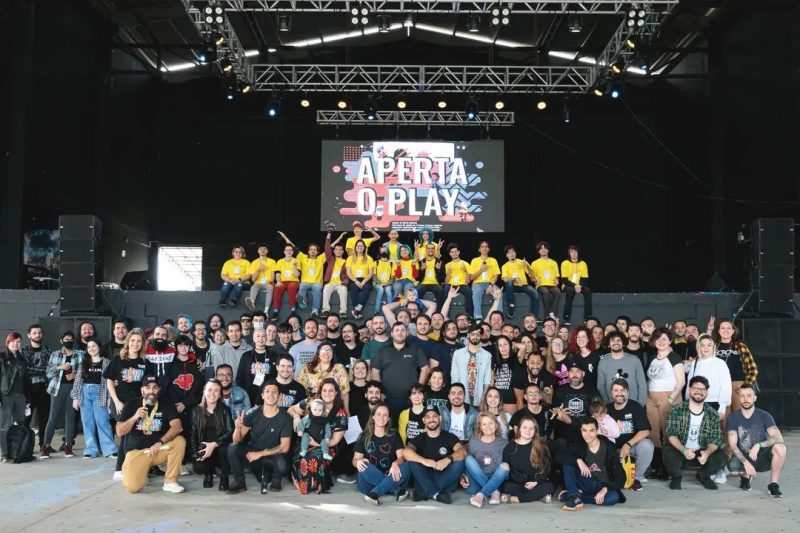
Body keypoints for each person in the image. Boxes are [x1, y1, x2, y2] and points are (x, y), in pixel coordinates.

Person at [117, 375, 187, 494]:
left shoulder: (166, 403)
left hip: (158, 449)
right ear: (142, 390)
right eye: (148, 387)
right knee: (132, 488)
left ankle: (170, 482)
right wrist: (134, 417)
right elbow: (119, 431)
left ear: (159, 389)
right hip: (137, 452)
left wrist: (161, 442)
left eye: (155, 387)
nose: (152, 391)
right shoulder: (132, 404)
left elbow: (177, 427)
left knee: (179, 441)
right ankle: (138, 471)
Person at [227, 380, 293, 494]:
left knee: (282, 465)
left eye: (274, 392)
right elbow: (237, 440)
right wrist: (237, 428)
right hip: (254, 456)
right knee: (232, 448)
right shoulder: (253, 413)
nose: (271, 394)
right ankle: (240, 482)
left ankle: (276, 478)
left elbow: (284, 447)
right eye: (267, 391)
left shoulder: (286, 418)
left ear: (280, 396)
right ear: (262, 395)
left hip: (273, 455)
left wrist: (261, 453)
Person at [663, 376, 727, 490]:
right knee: (668, 449)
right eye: (695, 388)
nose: (699, 391)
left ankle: (703, 476)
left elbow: (715, 438)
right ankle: (676, 477)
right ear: (689, 389)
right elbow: (671, 434)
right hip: (682, 450)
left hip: (701, 453)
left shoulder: (712, 414)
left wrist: (707, 452)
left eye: (702, 389)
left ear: (707, 392)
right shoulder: (676, 410)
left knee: (722, 455)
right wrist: (683, 450)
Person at [727, 383, 787, 497]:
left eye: (749, 395)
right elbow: (733, 444)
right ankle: (746, 476)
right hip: (744, 455)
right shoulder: (733, 417)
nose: (745, 399)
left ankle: (773, 484)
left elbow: (778, 438)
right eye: (742, 396)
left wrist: (758, 445)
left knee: (781, 448)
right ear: (739, 398)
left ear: (755, 398)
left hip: (762, 454)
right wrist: (746, 463)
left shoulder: (764, 416)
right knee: (733, 469)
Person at [291, 379, 348, 494]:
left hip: (327, 446)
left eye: (331, 390)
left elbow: (335, 441)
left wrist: (316, 444)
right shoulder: (311, 402)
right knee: (302, 456)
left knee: (316, 457)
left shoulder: (340, 413)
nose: (327, 393)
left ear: (336, 392)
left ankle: (316, 483)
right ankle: (298, 477)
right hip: (304, 442)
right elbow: (291, 409)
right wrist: (296, 417)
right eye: (324, 390)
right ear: (320, 392)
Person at [104, 329, 148, 477]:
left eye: (139, 341)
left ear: (143, 344)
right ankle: (119, 469)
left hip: (136, 402)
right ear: (128, 341)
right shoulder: (118, 359)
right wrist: (116, 402)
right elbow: (109, 382)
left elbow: (146, 385)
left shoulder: (144, 362)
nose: (135, 344)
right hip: (120, 402)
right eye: (133, 340)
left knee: (136, 433)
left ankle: (136, 467)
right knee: (125, 433)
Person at [556, 418, 625, 511]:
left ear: (597, 431)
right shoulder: (580, 445)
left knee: (612, 498)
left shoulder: (609, 448)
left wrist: (606, 489)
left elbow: (621, 477)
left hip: (603, 485)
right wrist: (578, 460)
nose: (587, 434)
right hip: (586, 481)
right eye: (584, 431)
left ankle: (573, 497)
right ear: (581, 431)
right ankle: (573, 495)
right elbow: (559, 456)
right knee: (568, 462)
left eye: (591, 431)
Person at [403, 405, 466, 503]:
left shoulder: (449, 437)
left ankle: (425, 492)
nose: (431, 419)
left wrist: (448, 459)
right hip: (425, 476)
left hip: (444, 477)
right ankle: (436, 494)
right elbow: (406, 452)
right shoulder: (420, 438)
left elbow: (462, 451)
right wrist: (424, 461)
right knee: (412, 461)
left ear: (440, 418)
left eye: (434, 416)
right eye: (428, 417)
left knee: (459, 464)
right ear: (423, 420)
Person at [644, 327, 685, 478]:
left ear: (670, 341)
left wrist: (670, 399)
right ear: (654, 341)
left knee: (669, 434)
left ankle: (670, 469)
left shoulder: (674, 356)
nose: (661, 342)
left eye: (665, 339)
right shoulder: (653, 358)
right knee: (653, 433)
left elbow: (681, 381)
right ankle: (657, 467)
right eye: (659, 339)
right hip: (652, 398)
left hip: (668, 397)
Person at [354, 403, 410, 505]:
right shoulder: (364, 436)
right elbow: (355, 460)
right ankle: (396, 490)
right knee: (364, 465)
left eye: (385, 415)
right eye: (378, 414)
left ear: (388, 419)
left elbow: (401, 457)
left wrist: (396, 463)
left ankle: (376, 493)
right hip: (369, 482)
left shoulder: (394, 434)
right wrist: (357, 462)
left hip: (392, 476)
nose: (381, 417)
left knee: (408, 465)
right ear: (373, 417)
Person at [71, 339, 117, 458]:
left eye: (94, 346)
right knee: (87, 423)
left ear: (99, 347)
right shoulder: (84, 362)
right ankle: (91, 450)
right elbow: (77, 381)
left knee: (102, 422)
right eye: (89, 347)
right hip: (84, 394)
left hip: (100, 394)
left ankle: (109, 450)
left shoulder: (107, 363)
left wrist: (109, 400)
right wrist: (75, 397)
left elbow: (110, 382)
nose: (91, 348)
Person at [370, 322, 430, 415]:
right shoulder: (382, 351)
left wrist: (418, 390)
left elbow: (425, 368)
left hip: (410, 399)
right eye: (397, 330)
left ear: (407, 333)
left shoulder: (415, 349)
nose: (400, 332)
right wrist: (380, 392)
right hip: (387, 398)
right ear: (392, 334)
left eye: (402, 330)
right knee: (390, 427)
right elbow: (375, 371)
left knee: (408, 427)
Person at [42, 331, 83, 458]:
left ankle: (68, 446)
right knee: (52, 418)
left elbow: (85, 371)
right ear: (61, 341)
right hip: (57, 388)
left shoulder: (80, 354)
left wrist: (75, 374)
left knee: (70, 418)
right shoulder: (55, 354)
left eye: (71, 339)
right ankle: (46, 446)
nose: (69, 341)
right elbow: (48, 373)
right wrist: (60, 367)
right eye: (66, 339)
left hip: (72, 388)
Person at [607, 378, 653, 491]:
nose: (619, 393)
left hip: (632, 447)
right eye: (616, 390)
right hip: (612, 449)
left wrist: (628, 444)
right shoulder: (607, 409)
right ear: (611, 392)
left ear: (627, 392)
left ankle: (637, 478)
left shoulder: (635, 407)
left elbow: (645, 430)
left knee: (647, 445)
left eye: (623, 390)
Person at [190, 379, 233, 490]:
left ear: (220, 395)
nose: (212, 394)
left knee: (224, 450)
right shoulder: (196, 410)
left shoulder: (225, 410)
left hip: (220, 445)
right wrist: (196, 452)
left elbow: (230, 432)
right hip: (204, 445)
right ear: (204, 392)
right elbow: (193, 434)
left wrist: (215, 444)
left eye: (216, 391)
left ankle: (224, 477)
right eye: (209, 390)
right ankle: (208, 475)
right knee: (199, 467)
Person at [460, 411, 509, 507]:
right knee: (468, 459)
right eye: (484, 424)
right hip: (476, 482)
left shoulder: (503, 443)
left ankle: (481, 494)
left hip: (495, 480)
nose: (488, 426)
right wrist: (462, 476)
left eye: (491, 423)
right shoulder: (473, 441)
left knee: (505, 466)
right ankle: (493, 491)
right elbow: (470, 466)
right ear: (480, 427)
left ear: (496, 425)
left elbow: (505, 470)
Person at [501, 417, 554, 504]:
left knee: (549, 487)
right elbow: (509, 470)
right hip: (519, 483)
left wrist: (536, 482)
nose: (528, 431)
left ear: (535, 430)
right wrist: (522, 482)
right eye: (524, 427)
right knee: (507, 487)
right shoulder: (510, 448)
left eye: (531, 428)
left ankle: (516, 499)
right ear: (519, 429)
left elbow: (546, 468)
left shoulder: (541, 446)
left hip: (537, 483)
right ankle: (537, 497)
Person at [167, 336, 205, 456]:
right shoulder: (171, 363)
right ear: (176, 347)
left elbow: (198, 387)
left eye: (186, 345)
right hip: (175, 404)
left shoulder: (195, 364)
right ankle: (179, 457)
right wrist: (177, 403)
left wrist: (186, 403)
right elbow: (169, 386)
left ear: (189, 347)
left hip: (191, 404)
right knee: (178, 430)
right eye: (180, 345)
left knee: (192, 430)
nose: (183, 348)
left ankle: (191, 455)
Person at [713, 319, 758, 414]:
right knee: (723, 415)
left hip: (737, 384)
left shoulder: (740, 346)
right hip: (719, 385)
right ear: (718, 331)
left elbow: (753, 369)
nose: (726, 330)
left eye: (729, 328)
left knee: (740, 414)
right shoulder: (713, 346)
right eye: (723, 328)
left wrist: (745, 385)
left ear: (733, 331)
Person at [550, 363, 600, 444]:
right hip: (564, 438)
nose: (574, 374)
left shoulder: (592, 391)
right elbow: (554, 411)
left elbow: (598, 414)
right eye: (571, 371)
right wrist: (557, 413)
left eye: (577, 371)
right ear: (567, 374)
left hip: (586, 437)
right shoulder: (560, 391)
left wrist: (570, 421)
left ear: (583, 374)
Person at [686, 334, 732, 417]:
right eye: (702, 345)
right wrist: (688, 402)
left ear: (713, 347)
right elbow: (690, 385)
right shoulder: (694, 363)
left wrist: (722, 408)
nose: (706, 348)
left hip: (715, 404)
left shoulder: (720, 363)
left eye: (709, 345)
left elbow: (726, 386)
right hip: (696, 403)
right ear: (699, 347)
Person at [21, 325, 51, 451]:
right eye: (34, 333)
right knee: (26, 418)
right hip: (29, 389)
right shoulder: (24, 351)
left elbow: (51, 369)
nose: (37, 335)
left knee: (45, 418)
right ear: (29, 335)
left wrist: (45, 370)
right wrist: (45, 370)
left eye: (39, 332)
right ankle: (24, 445)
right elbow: (26, 370)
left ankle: (43, 445)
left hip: (44, 388)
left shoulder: (48, 349)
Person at [597, 331, 647, 406]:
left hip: (633, 404)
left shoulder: (634, 360)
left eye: (618, 340)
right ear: (608, 344)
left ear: (623, 343)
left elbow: (642, 384)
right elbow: (601, 386)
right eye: (612, 340)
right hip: (612, 405)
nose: (616, 343)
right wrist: (608, 404)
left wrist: (640, 404)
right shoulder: (603, 362)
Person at [298, 342, 350, 412]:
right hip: (312, 407)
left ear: (332, 354)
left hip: (333, 408)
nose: (326, 353)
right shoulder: (308, 368)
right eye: (323, 350)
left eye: (329, 350)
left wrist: (347, 410)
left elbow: (345, 391)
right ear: (318, 354)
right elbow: (300, 389)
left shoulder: (339, 368)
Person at [1, 332, 28, 462]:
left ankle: (17, 452)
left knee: (20, 424)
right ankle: (4, 453)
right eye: (13, 341)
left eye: (18, 341)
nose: (16, 344)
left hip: (20, 395)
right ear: (8, 343)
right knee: (5, 425)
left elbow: (25, 379)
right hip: (6, 395)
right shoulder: (2, 357)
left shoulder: (21, 358)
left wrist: (27, 397)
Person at [450, 324, 493, 407]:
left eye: (478, 334)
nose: (475, 337)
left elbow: (487, 381)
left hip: (479, 397)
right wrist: (456, 397)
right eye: (472, 334)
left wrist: (483, 401)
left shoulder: (487, 355)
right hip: (461, 397)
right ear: (468, 335)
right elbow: (454, 377)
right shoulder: (458, 354)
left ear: (481, 336)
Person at [501, 245, 537, 319]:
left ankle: (533, 315)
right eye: (509, 253)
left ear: (515, 253)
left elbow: (532, 275)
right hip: (512, 287)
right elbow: (505, 279)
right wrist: (515, 278)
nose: (511, 254)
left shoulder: (522, 262)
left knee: (535, 294)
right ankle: (511, 306)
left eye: (513, 251)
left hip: (523, 285)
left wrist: (526, 265)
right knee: (509, 283)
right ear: (506, 255)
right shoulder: (505, 266)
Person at [468, 241, 501, 321]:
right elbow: (471, 278)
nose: (484, 248)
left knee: (499, 292)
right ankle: (478, 316)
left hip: (490, 283)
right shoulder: (474, 260)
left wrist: (491, 285)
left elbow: (496, 275)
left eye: (486, 246)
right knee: (476, 292)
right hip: (478, 283)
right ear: (479, 249)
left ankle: (498, 316)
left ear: (489, 249)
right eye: (482, 246)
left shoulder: (493, 260)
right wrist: (481, 270)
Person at [560, 245, 592, 324]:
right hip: (568, 285)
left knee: (588, 291)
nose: (573, 253)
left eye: (575, 251)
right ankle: (566, 317)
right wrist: (575, 286)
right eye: (571, 252)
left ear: (578, 253)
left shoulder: (583, 263)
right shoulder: (565, 263)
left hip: (580, 285)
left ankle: (587, 317)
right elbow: (564, 279)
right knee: (570, 291)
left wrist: (580, 286)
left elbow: (585, 278)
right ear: (569, 253)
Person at [321, 232, 349, 318]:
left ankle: (343, 311)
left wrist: (344, 282)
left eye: (340, 250)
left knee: (344, 291)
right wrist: (329, 235)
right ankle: (325, 310)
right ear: (334, 251)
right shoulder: (331, 259)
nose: (338, 251)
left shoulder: (346, 261)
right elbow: (327, 248)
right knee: (326, 289)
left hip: (341, 283)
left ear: (343, 251)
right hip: (330, 283)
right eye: (336, 249)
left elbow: (348, 273)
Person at [530, 241, 561, 320]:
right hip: (541, 285)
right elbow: (531, 278)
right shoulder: (534, 263)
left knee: (557, 291)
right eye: (541, 249)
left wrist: (557, 280)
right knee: (546, 292)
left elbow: (557, 276)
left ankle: (552, 313)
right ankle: (547, 315)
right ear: (538, 251)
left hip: (552, 285)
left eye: (545, 248)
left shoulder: (554, 263)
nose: (543, 250)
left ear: (548, 250)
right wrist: (535, 281)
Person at [346, 239, 375, 320]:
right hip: (354, 279)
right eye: (358, 246)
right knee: (353, 287)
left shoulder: (369, 258)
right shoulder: (350, 258)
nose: (360, 247)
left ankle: (357, 309)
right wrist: (355, 281)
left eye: (362, 246)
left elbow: (371, 273)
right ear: (355, 247)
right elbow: (348, 273)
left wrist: (363, 281)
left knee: (366, 287)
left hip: (365, 279)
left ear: (364, 248)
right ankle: (357, 312)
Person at [442, 244, 474, 318]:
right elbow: (446, 282)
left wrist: (465, 271)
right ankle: (445, 315)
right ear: (450, 254)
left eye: (456, 251)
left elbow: (468, 281)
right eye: (452, 252)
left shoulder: (465, 263)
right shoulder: (447, 265)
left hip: (462, 285)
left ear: (459, 252)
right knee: (445, 288)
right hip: (451, 285)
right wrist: (449, 272)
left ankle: (469, 316)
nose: (454, 253)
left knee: (469, 291)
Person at [271, 243, 301, 320]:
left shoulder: (296, 260)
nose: (288, 251)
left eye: (290, 250)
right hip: (283, 281)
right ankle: (275, 311)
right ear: (284, 252)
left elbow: (297, 275)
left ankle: (293, 309)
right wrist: (278, 281)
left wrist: (294, 266)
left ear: (292, 252)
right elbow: (277, 273)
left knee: (292, 287)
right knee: (277, 288)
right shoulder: (280, 261)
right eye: (287, 250)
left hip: (293, 280)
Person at [245, 243, 276, 314]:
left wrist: (270, 282)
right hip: (258, 283)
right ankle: (252, 303)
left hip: (268, 283)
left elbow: (273, 276)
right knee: (253, 287)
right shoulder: (254, 263)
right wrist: (259, 270)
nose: (262, 250)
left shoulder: (272, 261)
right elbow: (253, 279)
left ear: (267, 251)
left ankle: (266, 311)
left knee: (270, 288)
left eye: (264, 249)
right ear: (258, 251)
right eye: (260, 249)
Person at [492, 335, 519, 413]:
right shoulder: (494, 361)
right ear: (497, 348)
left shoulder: (516, 359)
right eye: (500, 345)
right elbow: (492, 382)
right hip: (496, 401)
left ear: (510, 345)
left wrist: (514, 343)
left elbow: (523, 347)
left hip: (511, 400)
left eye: (505, 344)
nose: (503, 347)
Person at [568, 326, 601, 390]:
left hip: (594, 392)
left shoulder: (596, 356)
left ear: (588, 339)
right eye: (578, 337)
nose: (580, 339)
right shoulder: (574, 357)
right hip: (579, 392)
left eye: (583, 337)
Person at [418, 243, 444, 310]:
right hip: (423, 284)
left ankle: (438, 313)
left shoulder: (439, 262)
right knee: (418, 290)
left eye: (432, 248)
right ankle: (419, 313)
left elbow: (442, 278)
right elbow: (418, 278)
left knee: (440, 290)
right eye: (428, 248)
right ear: (426, 250)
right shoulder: (421, 262)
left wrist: (438, 270)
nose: (430, 250)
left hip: (435, 284)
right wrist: (422, 269)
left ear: (434, 250)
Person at [373, 244, 395, 316]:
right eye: (382, 251)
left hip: (387, 284)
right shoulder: (376, 262)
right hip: (377, 284)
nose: (383, 253)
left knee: (388, 290)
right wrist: (380, 283)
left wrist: (386, 284)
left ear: (388, 252)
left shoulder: (391, 264)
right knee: (381, 289)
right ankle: (377, 311)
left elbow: (393, 277)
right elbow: (374, 275)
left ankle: (390, 310)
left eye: (385, 251)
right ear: (379, 253)